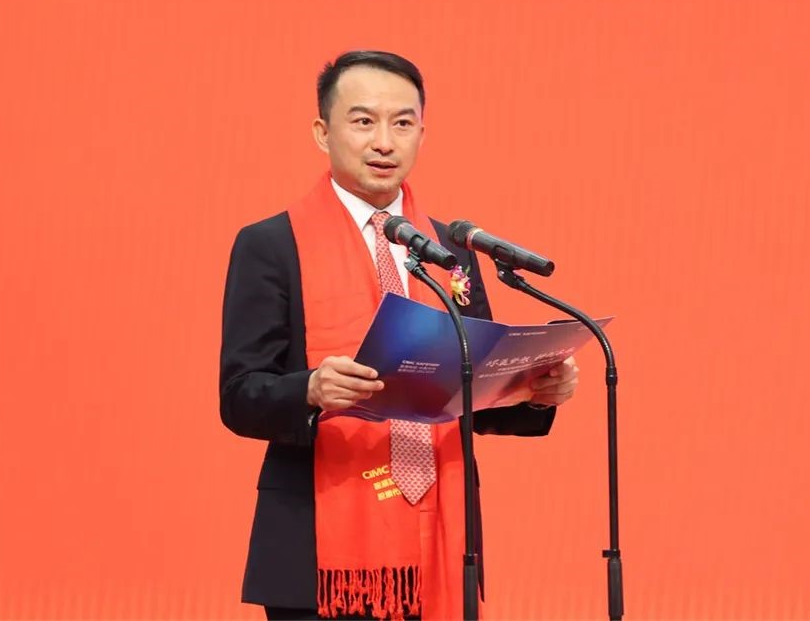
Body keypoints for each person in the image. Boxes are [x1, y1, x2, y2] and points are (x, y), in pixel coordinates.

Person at [220, 50, 579, 621]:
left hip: (441, 540)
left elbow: (469, 393)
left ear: (422, 134)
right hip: (316, 552)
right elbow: (239, 395)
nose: (384, 142)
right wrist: (309, 389)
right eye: (364, 121)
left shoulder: (449, 250)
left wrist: (533, 391)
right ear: (322, 132)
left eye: (402, 123)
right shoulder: (271, 245)